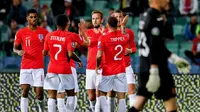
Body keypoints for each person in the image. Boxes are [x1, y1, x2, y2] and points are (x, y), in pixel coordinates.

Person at [128, 0, 191, 112]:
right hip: (157, 68)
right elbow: (154, 45)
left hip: (144, 66)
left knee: (139, 103)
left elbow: (155, 43)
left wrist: (174, 58)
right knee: (171, 107)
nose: (168, 0)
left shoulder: (144, 15)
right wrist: (154, 70)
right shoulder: (156, 17)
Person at [43, 14, 82, 112]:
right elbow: (70, 53)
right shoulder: (69, 36)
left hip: (52, 68)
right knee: (71, 94)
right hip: (65, 68)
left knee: (52, 96)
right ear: (67, 24)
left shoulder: (48, 35)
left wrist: (51, 54)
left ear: (56, 24)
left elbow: (44, 52)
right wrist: (78, 60)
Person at [13, 9, 48, 112]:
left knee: (39, 94)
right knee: (24, 91)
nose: (33, 19)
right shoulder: (21, 32)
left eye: (35, 17)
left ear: (37, 18)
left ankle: (41, 109)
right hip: (25, 66)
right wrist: (18, 51)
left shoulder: (44, 32)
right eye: (31, 17)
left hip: (38, 67)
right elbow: (15, 47)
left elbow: (49, 45)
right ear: (27, 18)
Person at [95, 16, 129, 112]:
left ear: (107, 25)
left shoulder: (103, 38)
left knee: (101, 94)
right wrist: (122, 26)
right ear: (117, 25)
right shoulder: (123, 37)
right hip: (121, 69)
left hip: (107, 70)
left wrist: (97, 66)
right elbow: (124, 35)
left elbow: (98, 56)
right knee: (121, 97)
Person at [106, 9, 137, 112]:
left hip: (126, 66)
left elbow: (134, 48)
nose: (119, 19)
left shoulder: (130, 32)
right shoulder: (108, 32)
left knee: (131, 90)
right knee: (112, 93)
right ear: (112, 18)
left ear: (123, 18)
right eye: (116, 17)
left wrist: (129, 50)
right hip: (112, 67)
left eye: (120, 17)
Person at [84, 10, 105, 112]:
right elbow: (82, 45)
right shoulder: (88, 32)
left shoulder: (107, 32)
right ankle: (92, 108)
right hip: (90, 67)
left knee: (98, 95)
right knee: (91, 96)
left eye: (97, 18)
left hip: (102, 68)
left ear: (102, 20)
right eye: (93, 18)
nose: (95, 20)